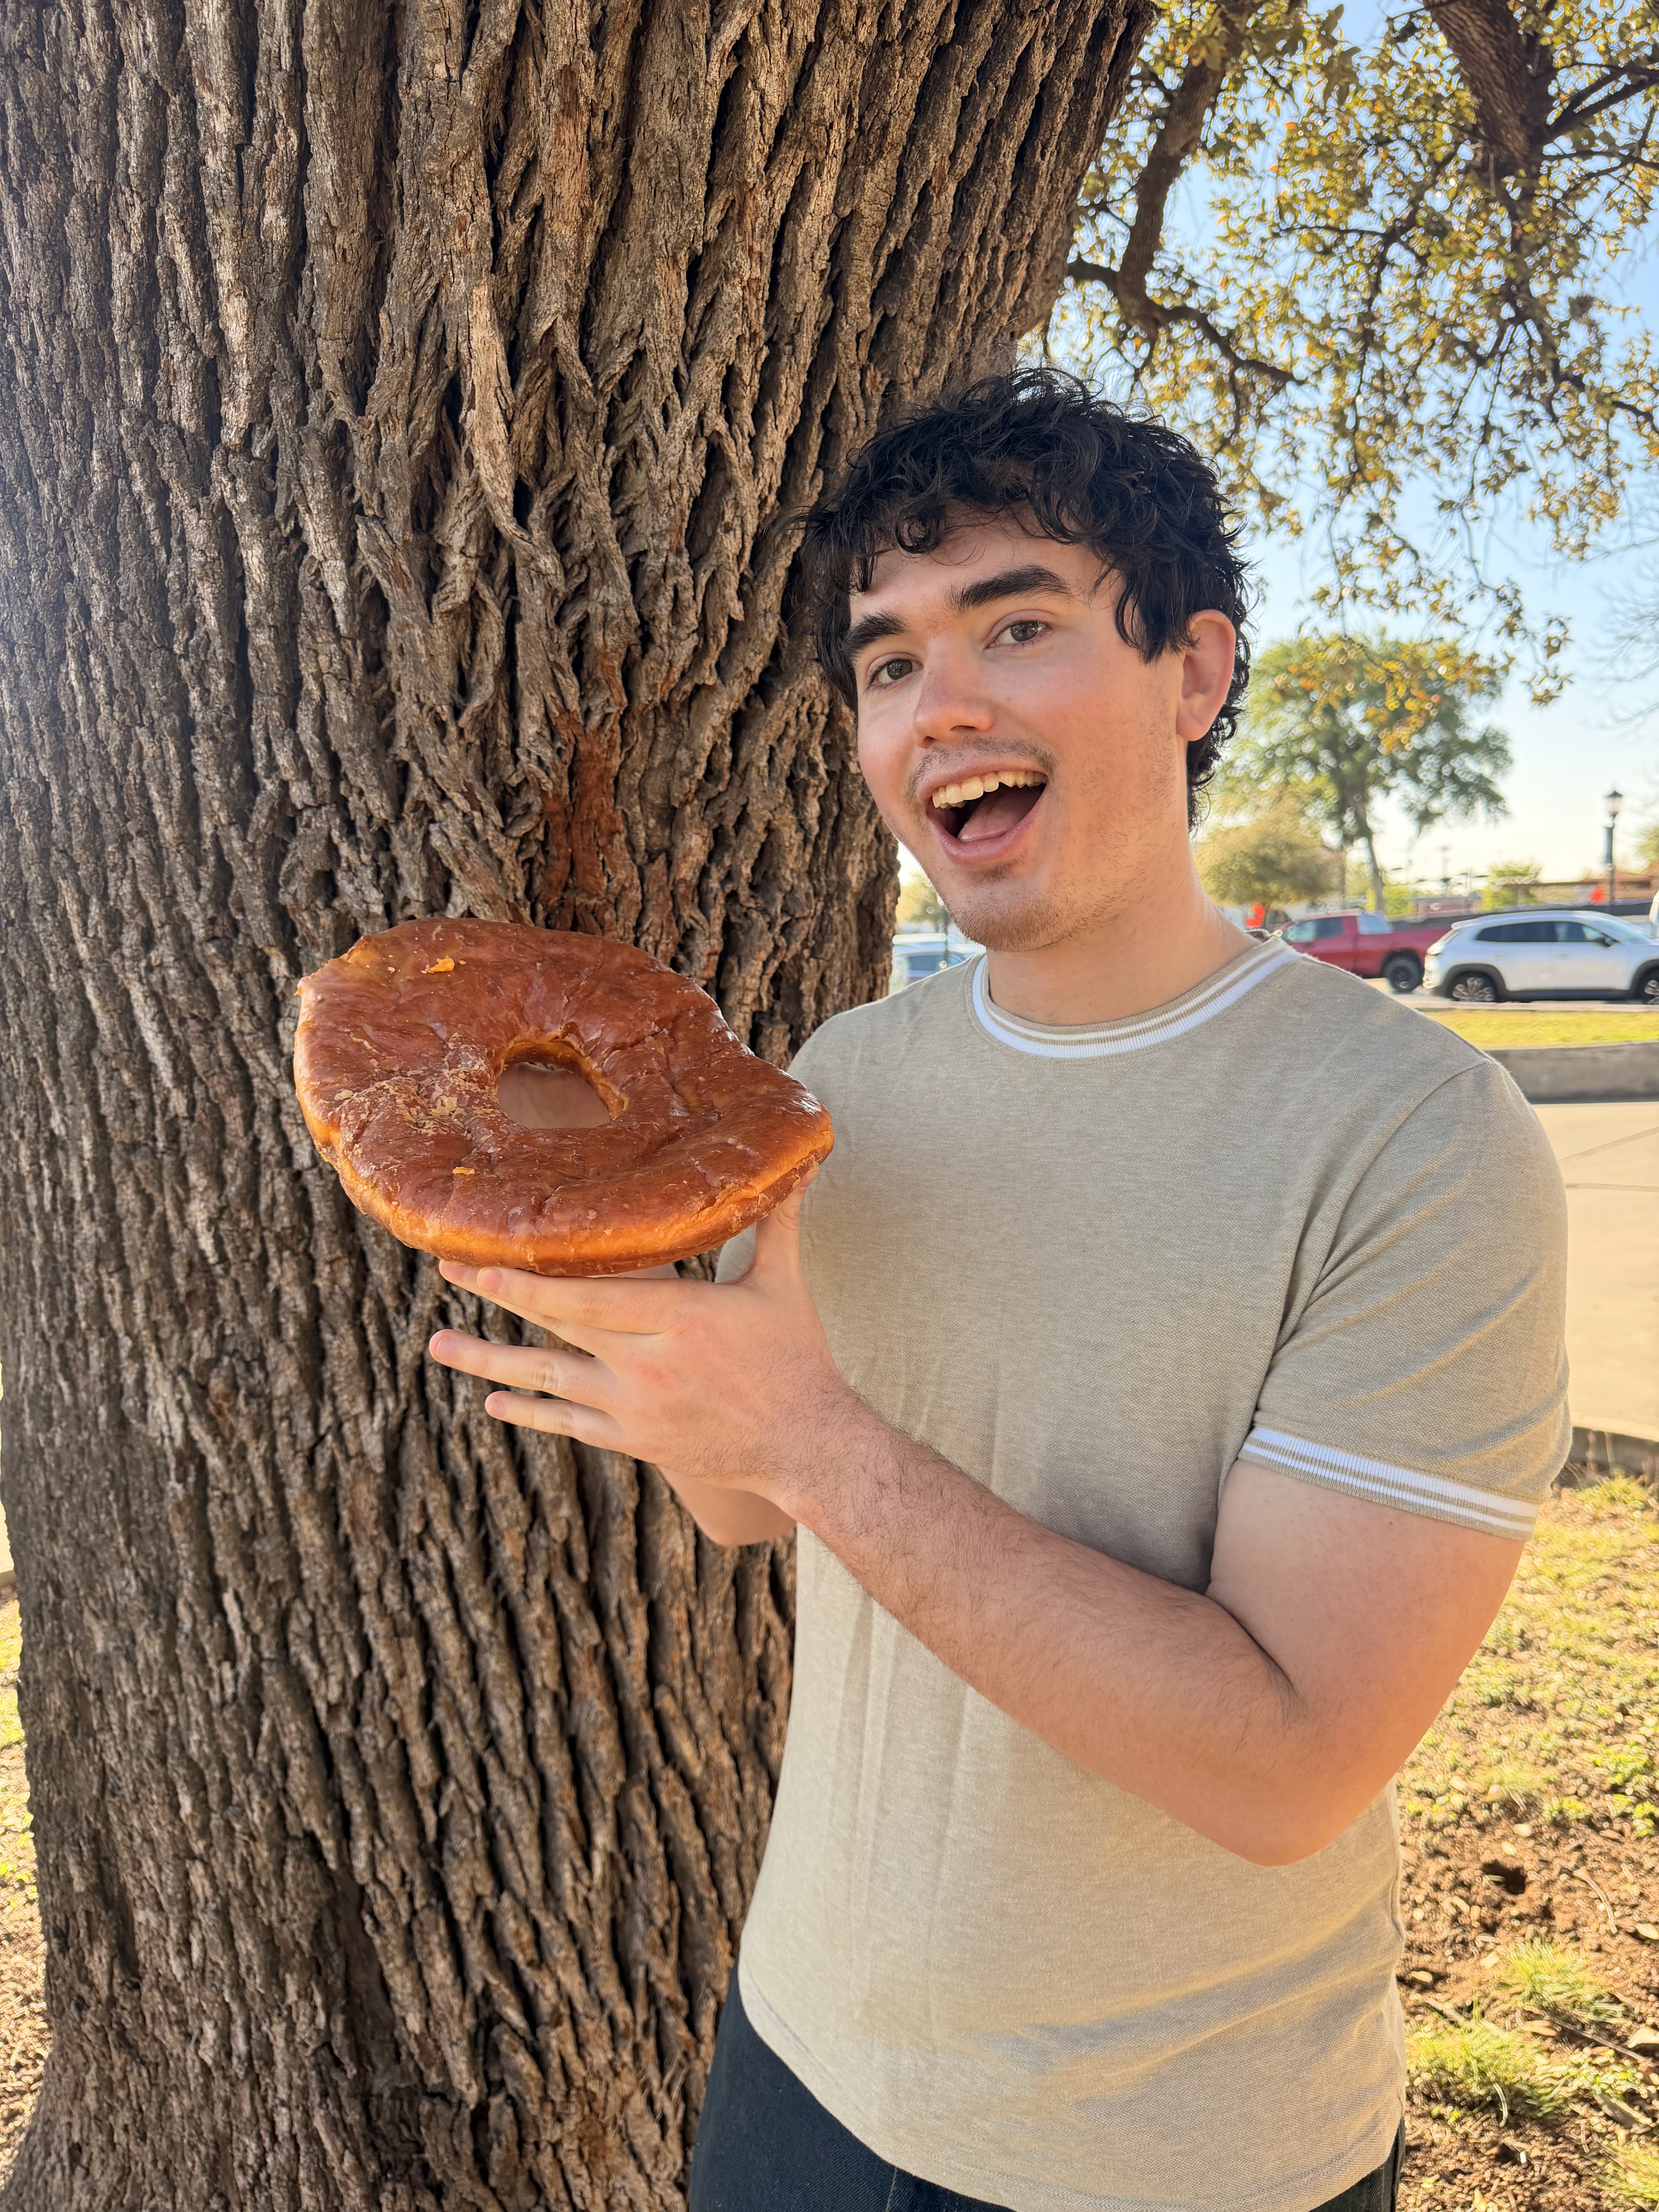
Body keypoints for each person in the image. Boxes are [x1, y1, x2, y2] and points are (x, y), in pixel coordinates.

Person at [428, 370, 1568, 2212]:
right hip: (802, 2061)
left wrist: (814, 1437)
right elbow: (746, 1501)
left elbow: (1288, 1767)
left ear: (1194, 673)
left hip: (1178, 2150)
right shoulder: (843, 1082)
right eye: (888, 662)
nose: (937, 704)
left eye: (1016, 625)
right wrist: (612, 1252)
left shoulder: (1416, 1137)